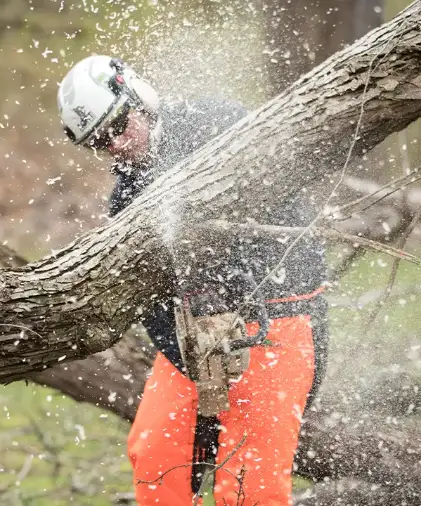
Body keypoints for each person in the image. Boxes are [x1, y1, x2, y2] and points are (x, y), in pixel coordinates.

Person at [56, 54, 329, 505]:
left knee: (248, 486)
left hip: (282, 321)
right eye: (101, 140)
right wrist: (191, 360)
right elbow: (141, 295)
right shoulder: (127, 200)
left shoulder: (216, 123)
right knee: (155, 452)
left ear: (137, 96)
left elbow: (283, 219)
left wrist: (236, 301)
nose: (118, 142)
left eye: (119, 123)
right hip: (197, 343)